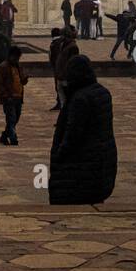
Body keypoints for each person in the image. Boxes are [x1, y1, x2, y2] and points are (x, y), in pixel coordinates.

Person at [49, 56, 117, 206]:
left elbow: (72, 136)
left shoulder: (80, 99)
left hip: (82, 167)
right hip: (102, 163)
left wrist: (59, 155)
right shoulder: (102, 93)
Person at [0, 44, 28, 146]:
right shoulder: (2, 67)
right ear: (10, 56)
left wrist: (25, 79)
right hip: (9, 97)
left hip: (18, 96)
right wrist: (5, 95)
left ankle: (4, 136)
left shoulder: (18, 66)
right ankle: (13, 138)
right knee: (11, 118)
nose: (16, 59)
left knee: (16, 118)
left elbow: (21, 80)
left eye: (18, 58)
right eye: (15, 57)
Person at [51, 26, 79, 109]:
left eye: (62, 35)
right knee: (63, 100)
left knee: (67, 100)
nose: (61, 37)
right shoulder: (62, 45)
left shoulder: (72, 47)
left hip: (66, 77)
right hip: (60, 75)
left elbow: (72, 63)